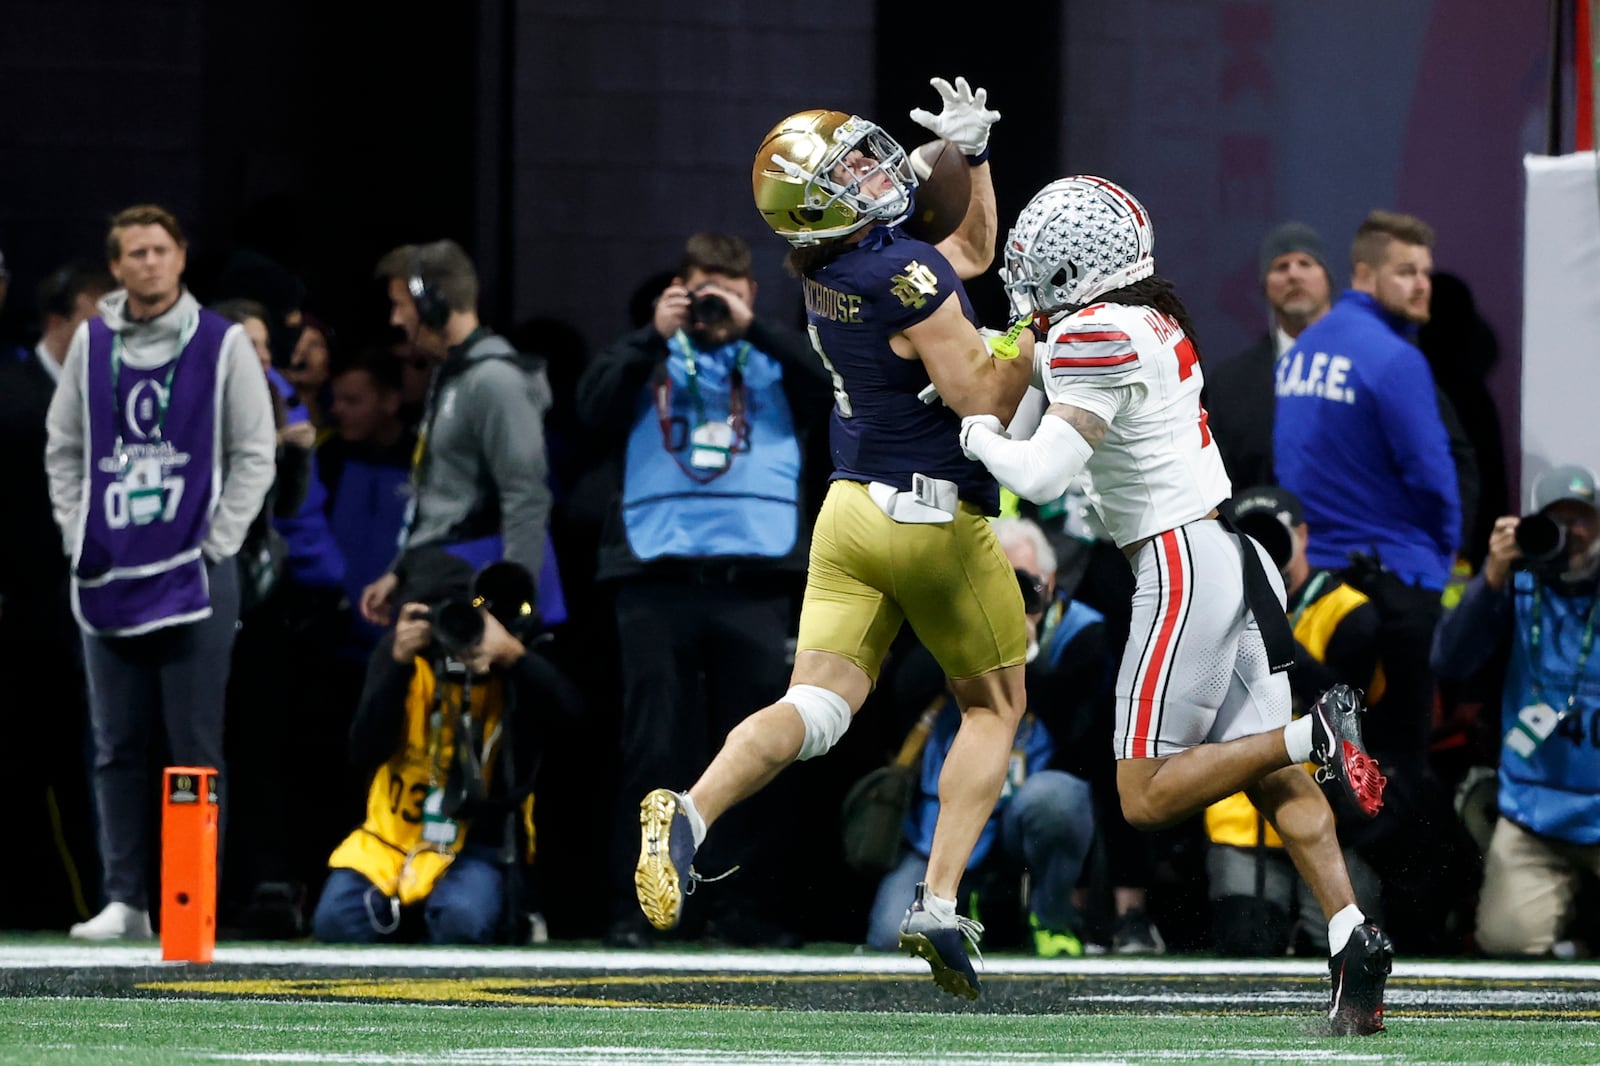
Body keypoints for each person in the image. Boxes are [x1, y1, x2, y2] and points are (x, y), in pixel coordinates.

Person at [958, 176, 1391, 1035]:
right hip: (1235, 554)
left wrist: (972, 430)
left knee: (1146, 797)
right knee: (1265, 774)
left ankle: (1316, 730)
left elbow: (1038, 474)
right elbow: (1042, 376)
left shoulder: (1091, 332)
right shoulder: (1146, 320)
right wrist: (1001, 367)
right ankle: (1352, 935)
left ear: (1078, 267)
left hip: (1179, 566)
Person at [634, 76, 1034, 1000]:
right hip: (934, 517)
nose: (874, 166)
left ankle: (692, 810)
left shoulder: (837, 269)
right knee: (993, 708)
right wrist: (1040, 347)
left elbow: (966, 250)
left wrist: (971, 159)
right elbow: (982, 396)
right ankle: (937, 900)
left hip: (852, 511)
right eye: (849, 166)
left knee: (817, 707)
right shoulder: (905, 273)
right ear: (819, 202)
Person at [576, 232, 832, 948]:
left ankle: (748, 910)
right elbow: (588, 415)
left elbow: (836, 392)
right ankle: (638, 911)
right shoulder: (646, 356)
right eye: (701, 288)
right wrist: (649, 335)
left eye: (730, 288)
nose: (715, 301)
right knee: (649, 747)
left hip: (755, 587)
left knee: (757, 754)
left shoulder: (779, 360)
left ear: (750, 293)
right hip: (655, 583)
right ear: (676, 292)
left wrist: (757, 330)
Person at [44, 204, 277, 939]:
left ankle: (190, 898)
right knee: (114, 741)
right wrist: (78, 534)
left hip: (196, 571)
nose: (148, 262)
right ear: (115, 267)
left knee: (195, 744)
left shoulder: (224, 343)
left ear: (181, 257)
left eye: (159, 249)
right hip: (110, 567)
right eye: (133, 253)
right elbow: (65, 448)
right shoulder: (92, 343)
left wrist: (217, 543)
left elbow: (255, 452)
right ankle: (125, 898)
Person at [313, 550, 579, 944]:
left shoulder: (505, 667)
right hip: (391, 838)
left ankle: (448, 910)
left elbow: (573, 719)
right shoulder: (404, 661)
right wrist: (398, 661)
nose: (450, 631)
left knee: (461, 922)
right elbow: (362, 752)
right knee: (337, 922)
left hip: (472, 845)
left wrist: (514, 656)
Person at [864, 518, 1099, 957]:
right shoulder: (948, 622)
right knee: (888, 936)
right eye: (995, 583)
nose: (1008, 597)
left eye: (1022, 583)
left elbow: (1086, 736)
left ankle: (1050, 915)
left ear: (1049, 581)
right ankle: (963, 900)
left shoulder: (1083, 632)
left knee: (1061, 799)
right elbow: (901, 694)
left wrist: (1024, 658)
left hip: (1027, 809)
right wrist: (965, 643)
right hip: (946, 818)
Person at [1204, 485, 1385, 956]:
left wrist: (1275, 633)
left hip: (1334, 812)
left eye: (1275, 536)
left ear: (1302, 536)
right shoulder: (1209, 609)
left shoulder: (1349, 610)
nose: (1263, 550)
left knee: (1339, 936)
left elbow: (1353, 706)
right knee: (1244, 939)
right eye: (1250, 538)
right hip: (1239, 813)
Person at [1432, 465, 1600, 957]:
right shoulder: (1517, 589)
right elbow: (1450, 661)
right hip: (1534, 817)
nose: (1572, 533)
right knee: (1506, 946)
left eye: (1584, 519)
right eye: (1557, 520)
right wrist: (1491, 576)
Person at [360, 240, 557, 627]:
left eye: (401, 304)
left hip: (464, 576)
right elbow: (441, 491)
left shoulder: (495, 381)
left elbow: (525, 497)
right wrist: (400, 570)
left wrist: (512, 608)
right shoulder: (453, 376)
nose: (395, 319)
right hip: (433, 569)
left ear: (432, 304)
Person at [0, 262, 114, 929]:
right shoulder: (11, 398)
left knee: (95, 768)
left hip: (101, 618)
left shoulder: (116, 400)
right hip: (26, 618)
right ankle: (38, 906)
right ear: (61, 319)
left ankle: (103, 900)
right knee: (24, 769)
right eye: (100, 322)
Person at [1205, 223, 1334, 490]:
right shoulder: (1230, 384)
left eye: (1305, 263)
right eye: (1281, 267)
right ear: (1264, 286)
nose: (1293, 275)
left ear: (1327, 279)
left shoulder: (1373, 365)